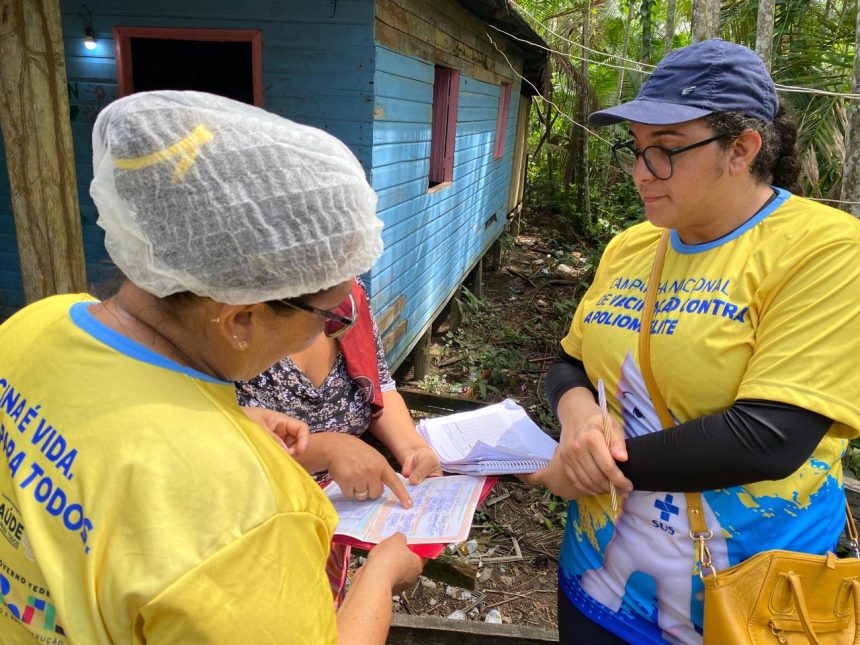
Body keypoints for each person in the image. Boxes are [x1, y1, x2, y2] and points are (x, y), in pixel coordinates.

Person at [0, 90, 423, 644]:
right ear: (241, 320)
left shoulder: (34, 325)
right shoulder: (252, 510)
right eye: (326, 313)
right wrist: (382, 575)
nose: (336, 326)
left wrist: (240, 421)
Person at [523, 39, 860, 643]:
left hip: (747, 599)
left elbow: (770, 436)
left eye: (666, 151)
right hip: (598, 578)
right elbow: (571, 363)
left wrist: (584, 470)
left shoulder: (825, 249)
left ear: (741, 148)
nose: (639, 173)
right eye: (636, 151)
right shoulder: (632, 245)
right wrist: (576, 421)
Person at [236, 276, 441, 601]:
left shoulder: (346, 294)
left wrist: (413, 447)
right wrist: (328, 450)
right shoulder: (232, 318)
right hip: (253, 531)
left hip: (337, 519)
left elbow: (379, 385)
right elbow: (213, 438)